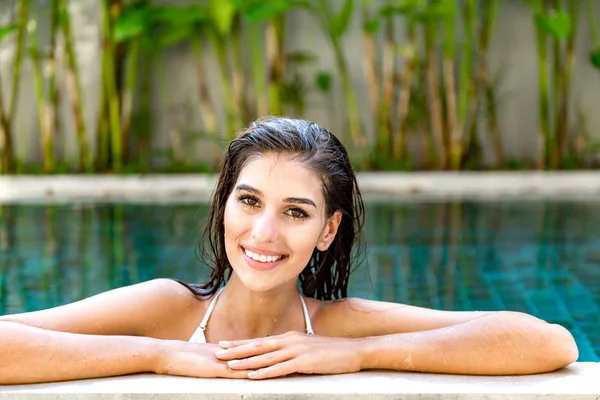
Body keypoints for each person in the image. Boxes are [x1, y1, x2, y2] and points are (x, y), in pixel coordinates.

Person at [0, 117, 578, 384]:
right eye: (249, 201)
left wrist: (357, 354)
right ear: (224, 204)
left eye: (296, 213)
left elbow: (548, 341)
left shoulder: (339, 325)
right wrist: (159, 356)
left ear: (327, 231)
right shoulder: (168, 313)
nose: (264, 234)